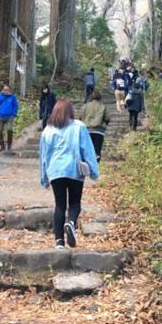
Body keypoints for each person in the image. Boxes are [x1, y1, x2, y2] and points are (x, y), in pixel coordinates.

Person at [39, 100, 98, 249]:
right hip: (74, 169)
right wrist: (93, 170)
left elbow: (44, 155)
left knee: (59, 205)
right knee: (75, 202)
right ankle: (70, 222)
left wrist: (44, 177)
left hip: (55, 170)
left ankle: (59, 242)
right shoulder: (79, 126)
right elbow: (87, 149)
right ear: (70, 111)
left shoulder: (48, 130)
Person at [79, 91, 111, 162]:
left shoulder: (85, 106)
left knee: (87, 148)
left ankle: (87, 162)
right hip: (99, 130)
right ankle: (96, 163)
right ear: (100, 98)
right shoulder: (103, 106)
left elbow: (80, 117)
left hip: (87, 130)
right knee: (97, 149)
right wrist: (105, 124)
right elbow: (107, 118)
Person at [0, 84, 19, 152]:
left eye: (7, 90)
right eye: (4, 90)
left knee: (9, 129)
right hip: (0, 116)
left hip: (9, 116)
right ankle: (2, 146)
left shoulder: (12, 97)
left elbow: (15, 106)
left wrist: (14, 114)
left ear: (9, 90)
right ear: (2, 90)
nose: (6, 91)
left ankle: (9, 145)